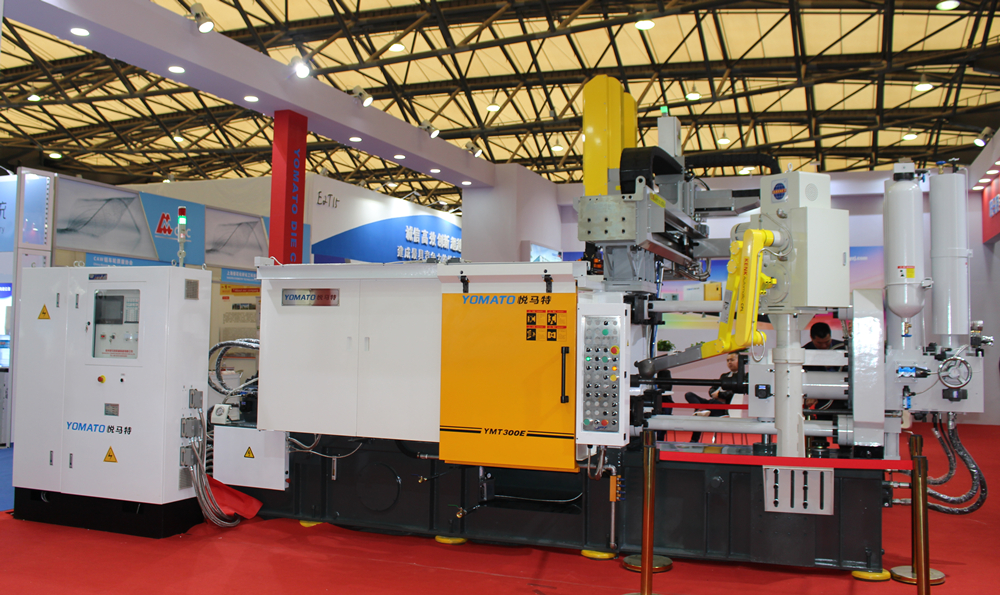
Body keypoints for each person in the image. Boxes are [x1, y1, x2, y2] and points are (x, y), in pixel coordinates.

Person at [684, 352, 742, 442]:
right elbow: (712, 389)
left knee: (708, 407)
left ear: (740, 361)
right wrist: (714, 394)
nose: (729, 362)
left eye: (732, 360)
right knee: (689, 395)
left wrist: (719, 394)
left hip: (723, 408)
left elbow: (734, 393)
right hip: (712, 404)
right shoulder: (724, 376)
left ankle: (694, 438)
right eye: (727, 360)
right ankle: (701, 410)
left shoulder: (742, 378)